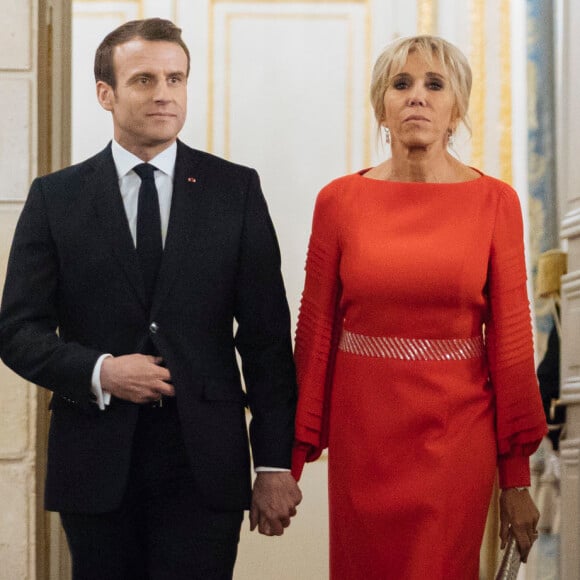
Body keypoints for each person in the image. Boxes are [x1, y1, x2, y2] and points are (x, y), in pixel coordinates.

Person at [0, 18, 301, 580]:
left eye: (176, 78)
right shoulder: (55, 198)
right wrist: (101, 371)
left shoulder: (234, 191)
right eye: (144, 80)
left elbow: (265, 339)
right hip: (95, 460)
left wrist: (276, 463)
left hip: (204, 462)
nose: (164, 93)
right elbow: (18, 331)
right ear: (105, 93)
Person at [291, 35, 547, 579]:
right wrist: (283, 465)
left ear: (457, 107)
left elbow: (511, 342)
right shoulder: (338, 201)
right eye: (400, 84)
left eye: (435, 85)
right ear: (382, 105)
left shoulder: (495, 202)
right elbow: (314, 334)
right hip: (365, 441)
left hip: (457, 440)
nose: (417, 97)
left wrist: (516, 479)